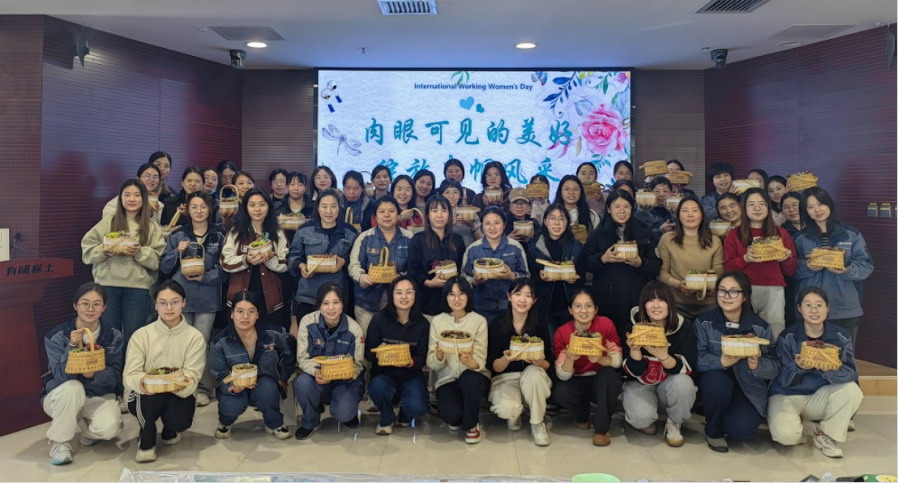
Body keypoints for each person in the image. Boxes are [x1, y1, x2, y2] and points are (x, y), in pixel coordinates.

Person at [768, 287, 863, 458]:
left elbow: (850, 373)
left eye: (819, 305)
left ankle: (825, 435)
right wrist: (798, 367)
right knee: (786, 436)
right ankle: (802, 428)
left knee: (852, 391)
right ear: (799, 309)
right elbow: (782, 379)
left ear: (827, 308)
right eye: (808, 305)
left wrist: (830, 370)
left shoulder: (840, 336)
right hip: (787, 394)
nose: (814, 310)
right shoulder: (788, 336)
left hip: (820, 396)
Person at [694, 272, 779, 453]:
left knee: (742, 431)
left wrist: (758, 366)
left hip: (748, 386)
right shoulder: (704, 322)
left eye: (733, 292)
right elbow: (697, 359)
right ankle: (713, 430)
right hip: (717, 382)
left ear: (744, 296)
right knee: (716, 382)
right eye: (722, 291)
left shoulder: (760, 327)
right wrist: (721, 361)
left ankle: (729, 419)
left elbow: (774, 365)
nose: (726, 296)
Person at [123, 280, 206, 463]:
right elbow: (130, 375)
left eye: (175, 302)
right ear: (156, 305)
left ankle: (171, 429)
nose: (169, 308)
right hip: (146, 393)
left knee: (180, 421)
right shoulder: (141, 335)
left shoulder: (195, 337)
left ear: (184, 303)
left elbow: (193, 374)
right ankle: (146, 441)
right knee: (148, 400)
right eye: (163, 303)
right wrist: (149, 382)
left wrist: (173, 382)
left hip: (178, 390)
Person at [41, 283, 124, 465]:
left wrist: (93, 375)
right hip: (61, 397)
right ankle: (59, 443)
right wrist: (71, 346)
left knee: (110, 429)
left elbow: (115, 376)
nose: (90, 309)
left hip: (97, 395)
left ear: (104, 307)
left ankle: (88, 431)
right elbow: (60, 376)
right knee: (73, 387)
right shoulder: (57, 336)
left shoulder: (114, 336)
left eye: (96, 304)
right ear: (75, 305)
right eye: (85, 303)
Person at [159, 192, 227, 406]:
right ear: (187, 210)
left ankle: (203, 388)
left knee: (201, 342)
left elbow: (225, 267)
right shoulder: (178, 234)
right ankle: (184, 386)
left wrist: (206, 276)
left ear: (210, 209)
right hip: (182, 298)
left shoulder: (220, 234)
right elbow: (164, 266)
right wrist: (175, 252)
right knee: (183, 342)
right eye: (194, 207)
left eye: (203, 206)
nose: (199, 211)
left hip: (208, 298)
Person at [82, 179, 164, 346]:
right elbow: (87, 250)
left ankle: (132, 365)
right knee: (109, 338)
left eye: (137, 195)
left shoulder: (152, 227)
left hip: (138, 288)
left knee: (135, 339)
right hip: (107, 286)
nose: (132, 199)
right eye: (127, 195)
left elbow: (157, 261)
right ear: (120, 198)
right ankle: (112, 365)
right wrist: (105, 250)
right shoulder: (109, 221)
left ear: (144, 199)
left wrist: (138, 252)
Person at [793, 187, 873, 349]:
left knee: (844, 356)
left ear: (829, 204)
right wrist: (808, 266)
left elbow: (866, 265)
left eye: (820, 204)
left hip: (844, 307)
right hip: (810, 308)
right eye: (810, 207)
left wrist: (846, 271)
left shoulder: (851, 234)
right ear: (805, 211)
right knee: (812, 356)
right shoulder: (800, 238)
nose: (817, 210)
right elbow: (791, 269)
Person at [210, 291, 294, 440]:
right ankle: (225, 423)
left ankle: (274, 423)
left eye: (251, 311)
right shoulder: (220, 342)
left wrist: (283, 378)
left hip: (264, 381)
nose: (245, 316)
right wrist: (232, 386)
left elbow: (290, 352)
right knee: (232, 404)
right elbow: (220, 374)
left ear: (257, 314)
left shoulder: (273, 334)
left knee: (268, 390)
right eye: (240, 311)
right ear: (232, 314)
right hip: (235, 384)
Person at [621, 282, 696, 447]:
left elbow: (689, 368)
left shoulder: (684, 327)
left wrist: (664, 356)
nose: (655, 305)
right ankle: (647, 416)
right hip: (640, 383)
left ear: (670, 304)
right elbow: (631, 372)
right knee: (641, 418)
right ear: (643, 306)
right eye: (650, 300)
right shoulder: (633, 327)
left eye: (661, 300)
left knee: (684, 384)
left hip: (669, 383)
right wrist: (635, 351)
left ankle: (674, 422)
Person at [583, 190, 660, 336]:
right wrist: (602, 259)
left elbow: (656, 266)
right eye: (617, 206)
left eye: (626, 207)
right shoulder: (598, 234)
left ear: (632, 208)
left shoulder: (644, 232)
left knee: (634, 340)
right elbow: (585, 263)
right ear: (609, 209)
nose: (622, 211)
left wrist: (640, 263)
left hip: (636, 298)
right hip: (606, 299)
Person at [294, 284, 365, 439]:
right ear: (319, 305)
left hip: (344, 381)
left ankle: (347, 411)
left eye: (336, 302)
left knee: (344, 413)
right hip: (318, 377)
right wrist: (315, 371)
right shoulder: (307, 322)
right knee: (303, 383)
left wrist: (349, 374)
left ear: (343, 304)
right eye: (325, 303)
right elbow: (302, 358)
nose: (331, 308)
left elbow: (358, 364)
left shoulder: (354, 329)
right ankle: (310, 421)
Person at [723, 188, 797, 338]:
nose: (757, 208)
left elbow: (791, 270)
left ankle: (772, 354)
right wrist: (745, 258)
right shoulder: (734, 234)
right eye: (751, 204)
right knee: (743, 333)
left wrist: (785, 259)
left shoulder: (781, 233)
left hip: (773, 290)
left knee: (774, 332)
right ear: (744, 208)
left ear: (768, 207)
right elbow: (727, 268)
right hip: (742, 290)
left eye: (762, 204)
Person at [552, 290, 623, 446]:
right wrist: (570, 358)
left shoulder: (605, 324)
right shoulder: (563, 332)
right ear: (570, 310)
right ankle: (581, 416)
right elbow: (562, 375)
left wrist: (601, 359)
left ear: (595, 309)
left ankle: (601, 429)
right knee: (560, 391)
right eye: (578, 306)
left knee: (610, 378)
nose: (583, 310)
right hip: (576, 380)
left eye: (588, 306)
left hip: (599, 379)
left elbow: (618, 360)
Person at [487, 279, 552, 446]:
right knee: (507, 409)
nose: (522, 300)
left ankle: (537, 422)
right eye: (518, 294)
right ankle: (516, 412)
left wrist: (539, 361)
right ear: (509, 296)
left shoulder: (540, 324)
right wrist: (507, 358)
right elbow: (494, 367)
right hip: (506, 378)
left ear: (534, 300)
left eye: (528, 296)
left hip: (534, 377)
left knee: (534, 374)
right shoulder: (497, 325)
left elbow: (548, 364)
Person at [427, 277, 491, 444]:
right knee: (451, 416)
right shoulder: (437, 321)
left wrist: (469, 361)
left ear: (468, 296)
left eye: (461, 294)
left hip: (474, 377)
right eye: (452, 294)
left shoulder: (479, 321)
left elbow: (481, 361)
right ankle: (463, 414)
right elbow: (431, 363)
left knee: (469, 380)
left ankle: (472, 425)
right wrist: (439, 355)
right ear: (445, 297)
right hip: (447, 380)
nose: (457, 299)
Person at [364, 277, 430, 434]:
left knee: (418, 407)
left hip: (411, 376)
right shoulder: (379, 319)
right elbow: (368, 353)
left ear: (415, 295)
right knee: (378, 387)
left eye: (409, 292)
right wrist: (380, 353)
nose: (404, 297)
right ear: (391, 295)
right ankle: (386, 417)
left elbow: (422, 357)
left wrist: (409, 362)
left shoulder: (422, 323)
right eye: (399, 292)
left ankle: (405, 416)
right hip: (383, 375)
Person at [287, 189, 358, 333]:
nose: (328, 211)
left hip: (337, 297)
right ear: (318, 208)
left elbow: (356, 260)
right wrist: (301, 265)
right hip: (308, 296)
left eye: (333, 206)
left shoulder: (350, 232)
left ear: (339, 208)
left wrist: (344, 261)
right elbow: (292, 255)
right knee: (308, 338)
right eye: (324, 206)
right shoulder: (304, 230)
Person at [220, 188, 290, 328]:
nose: (257, 209)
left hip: (270, 298)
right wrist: (246, 260)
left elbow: (286, 263)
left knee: (270, 336)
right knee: (240, 336)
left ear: (269, 207)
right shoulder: (236, 231)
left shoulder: (277, 232)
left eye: (262, 204)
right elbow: (225, 261)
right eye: (252, 205)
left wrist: (269, 258)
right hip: (240, 295)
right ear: (246, 208)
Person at [348, 196, 413, 333]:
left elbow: (413, 268)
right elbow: (354, 265)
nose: (387, 215)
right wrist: (362, 278)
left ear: (398, 213)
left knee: (393, 342)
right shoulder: (365, 237)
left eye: (391, 211)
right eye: (382, 211)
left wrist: (401, 278)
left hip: (400, 306)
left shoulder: (409, 238)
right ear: (375, 216)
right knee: (368, 342)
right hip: (367, 304)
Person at [657, 196, 723, 319]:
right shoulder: (667, 239)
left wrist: (707, 286)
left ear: (702, 215)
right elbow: (661, 272)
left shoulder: (714, 240)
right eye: (685, 211)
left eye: (695, 210)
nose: (690, 215)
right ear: (678, 216)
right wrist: (678, 284)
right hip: (676, 302)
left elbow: (718, 271)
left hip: (708, 303)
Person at [462, 207, 529, 323]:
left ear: (504, 225)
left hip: (510, 308)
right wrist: (474, 282)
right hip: (480, 309)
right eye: (487, 223)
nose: (492, 228)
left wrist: (511, 276)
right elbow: (463, 279)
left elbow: (526, 278)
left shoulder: (515, 247)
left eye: (497, 223)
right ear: (482, 226)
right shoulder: (472, 249)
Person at [527, 203, 584, 338]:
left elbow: (582, 276)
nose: (557, 223)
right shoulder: (534, 245)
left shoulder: (576, 245)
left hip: (569, 306)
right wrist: (540, 277)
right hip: (544, 306)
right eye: (552, 218)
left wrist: (574, 280)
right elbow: (529, 277)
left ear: (567, 222)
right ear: (545, 221)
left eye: (562, 218)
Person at [407, 195, 465, 320]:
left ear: (449, 214)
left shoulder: (458, 240)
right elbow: (413, 270)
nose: (439, 215)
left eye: (444, 210)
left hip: (453, 304)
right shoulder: (418, 240)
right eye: (434, 210)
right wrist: (429, 283)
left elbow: (462, 270)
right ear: (427, 215)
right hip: (426, 304)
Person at [160, 167, 205, 233]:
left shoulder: (209, 205)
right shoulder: (170, 203)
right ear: (182, 183)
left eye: (197, 181)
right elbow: (164, 227)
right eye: (189, 180)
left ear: (203, 184)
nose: (193, 184)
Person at [439, 178, 482, 247]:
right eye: (447, 192)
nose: (451, 196)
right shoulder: (437, 215)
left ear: (460, 195)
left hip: (468, 251)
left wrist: (472, 226)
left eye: (455, 192)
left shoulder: (469, 213)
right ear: (441, 195)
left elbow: (481, 241)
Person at [276, 171, 315, 246]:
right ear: (287, 186)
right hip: (284, 248)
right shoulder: (278, 207)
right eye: (292, 184)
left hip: (308, 247)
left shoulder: (313, 207)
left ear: (306, 188)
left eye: (300, 185)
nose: (296, 188)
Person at [635, 176, 676, 245]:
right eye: (657, 191)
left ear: (671, 192)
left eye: (665, 191)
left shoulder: (677, 211)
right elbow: (641, 235)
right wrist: (660, 231)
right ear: (651, 192)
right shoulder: (643, 211)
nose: (661, 195)